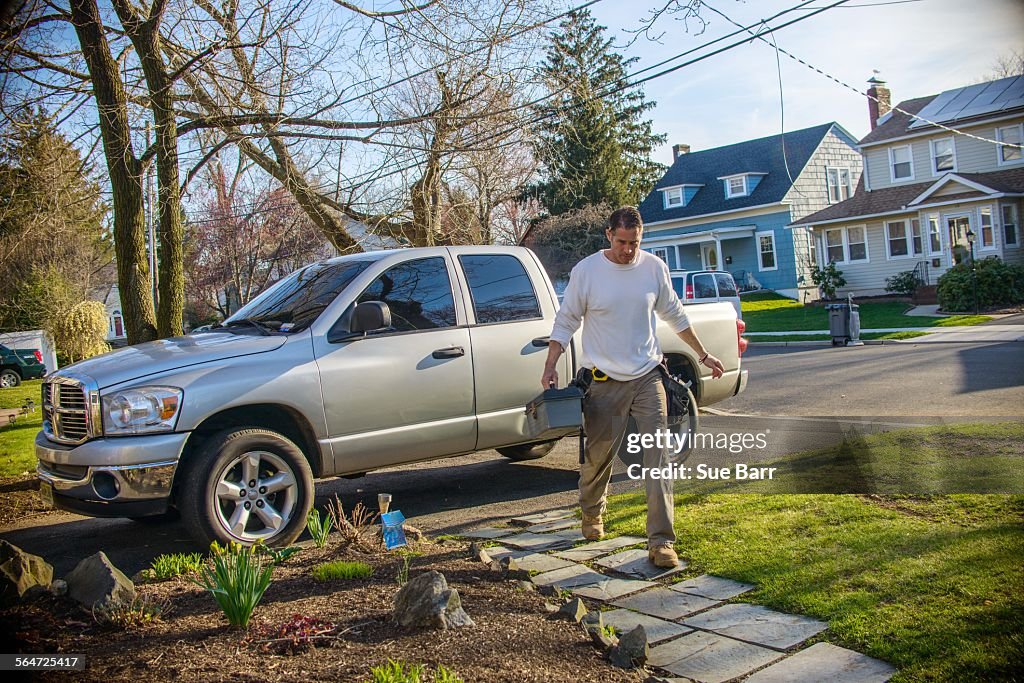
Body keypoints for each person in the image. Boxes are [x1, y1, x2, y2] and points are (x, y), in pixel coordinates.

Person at [541, 206, 725, 568]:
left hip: (646, 376)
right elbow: (566, 320)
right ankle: (592, 514)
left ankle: (661, 542)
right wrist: (550, 364)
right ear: (609, 234)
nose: (628, 250)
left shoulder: (654, 268)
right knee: (598, 458)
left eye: (635, 243)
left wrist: (703, 355)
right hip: (603, 381)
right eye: (623, 242)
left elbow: (675, 314)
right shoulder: (587, 272)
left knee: (659, 457)